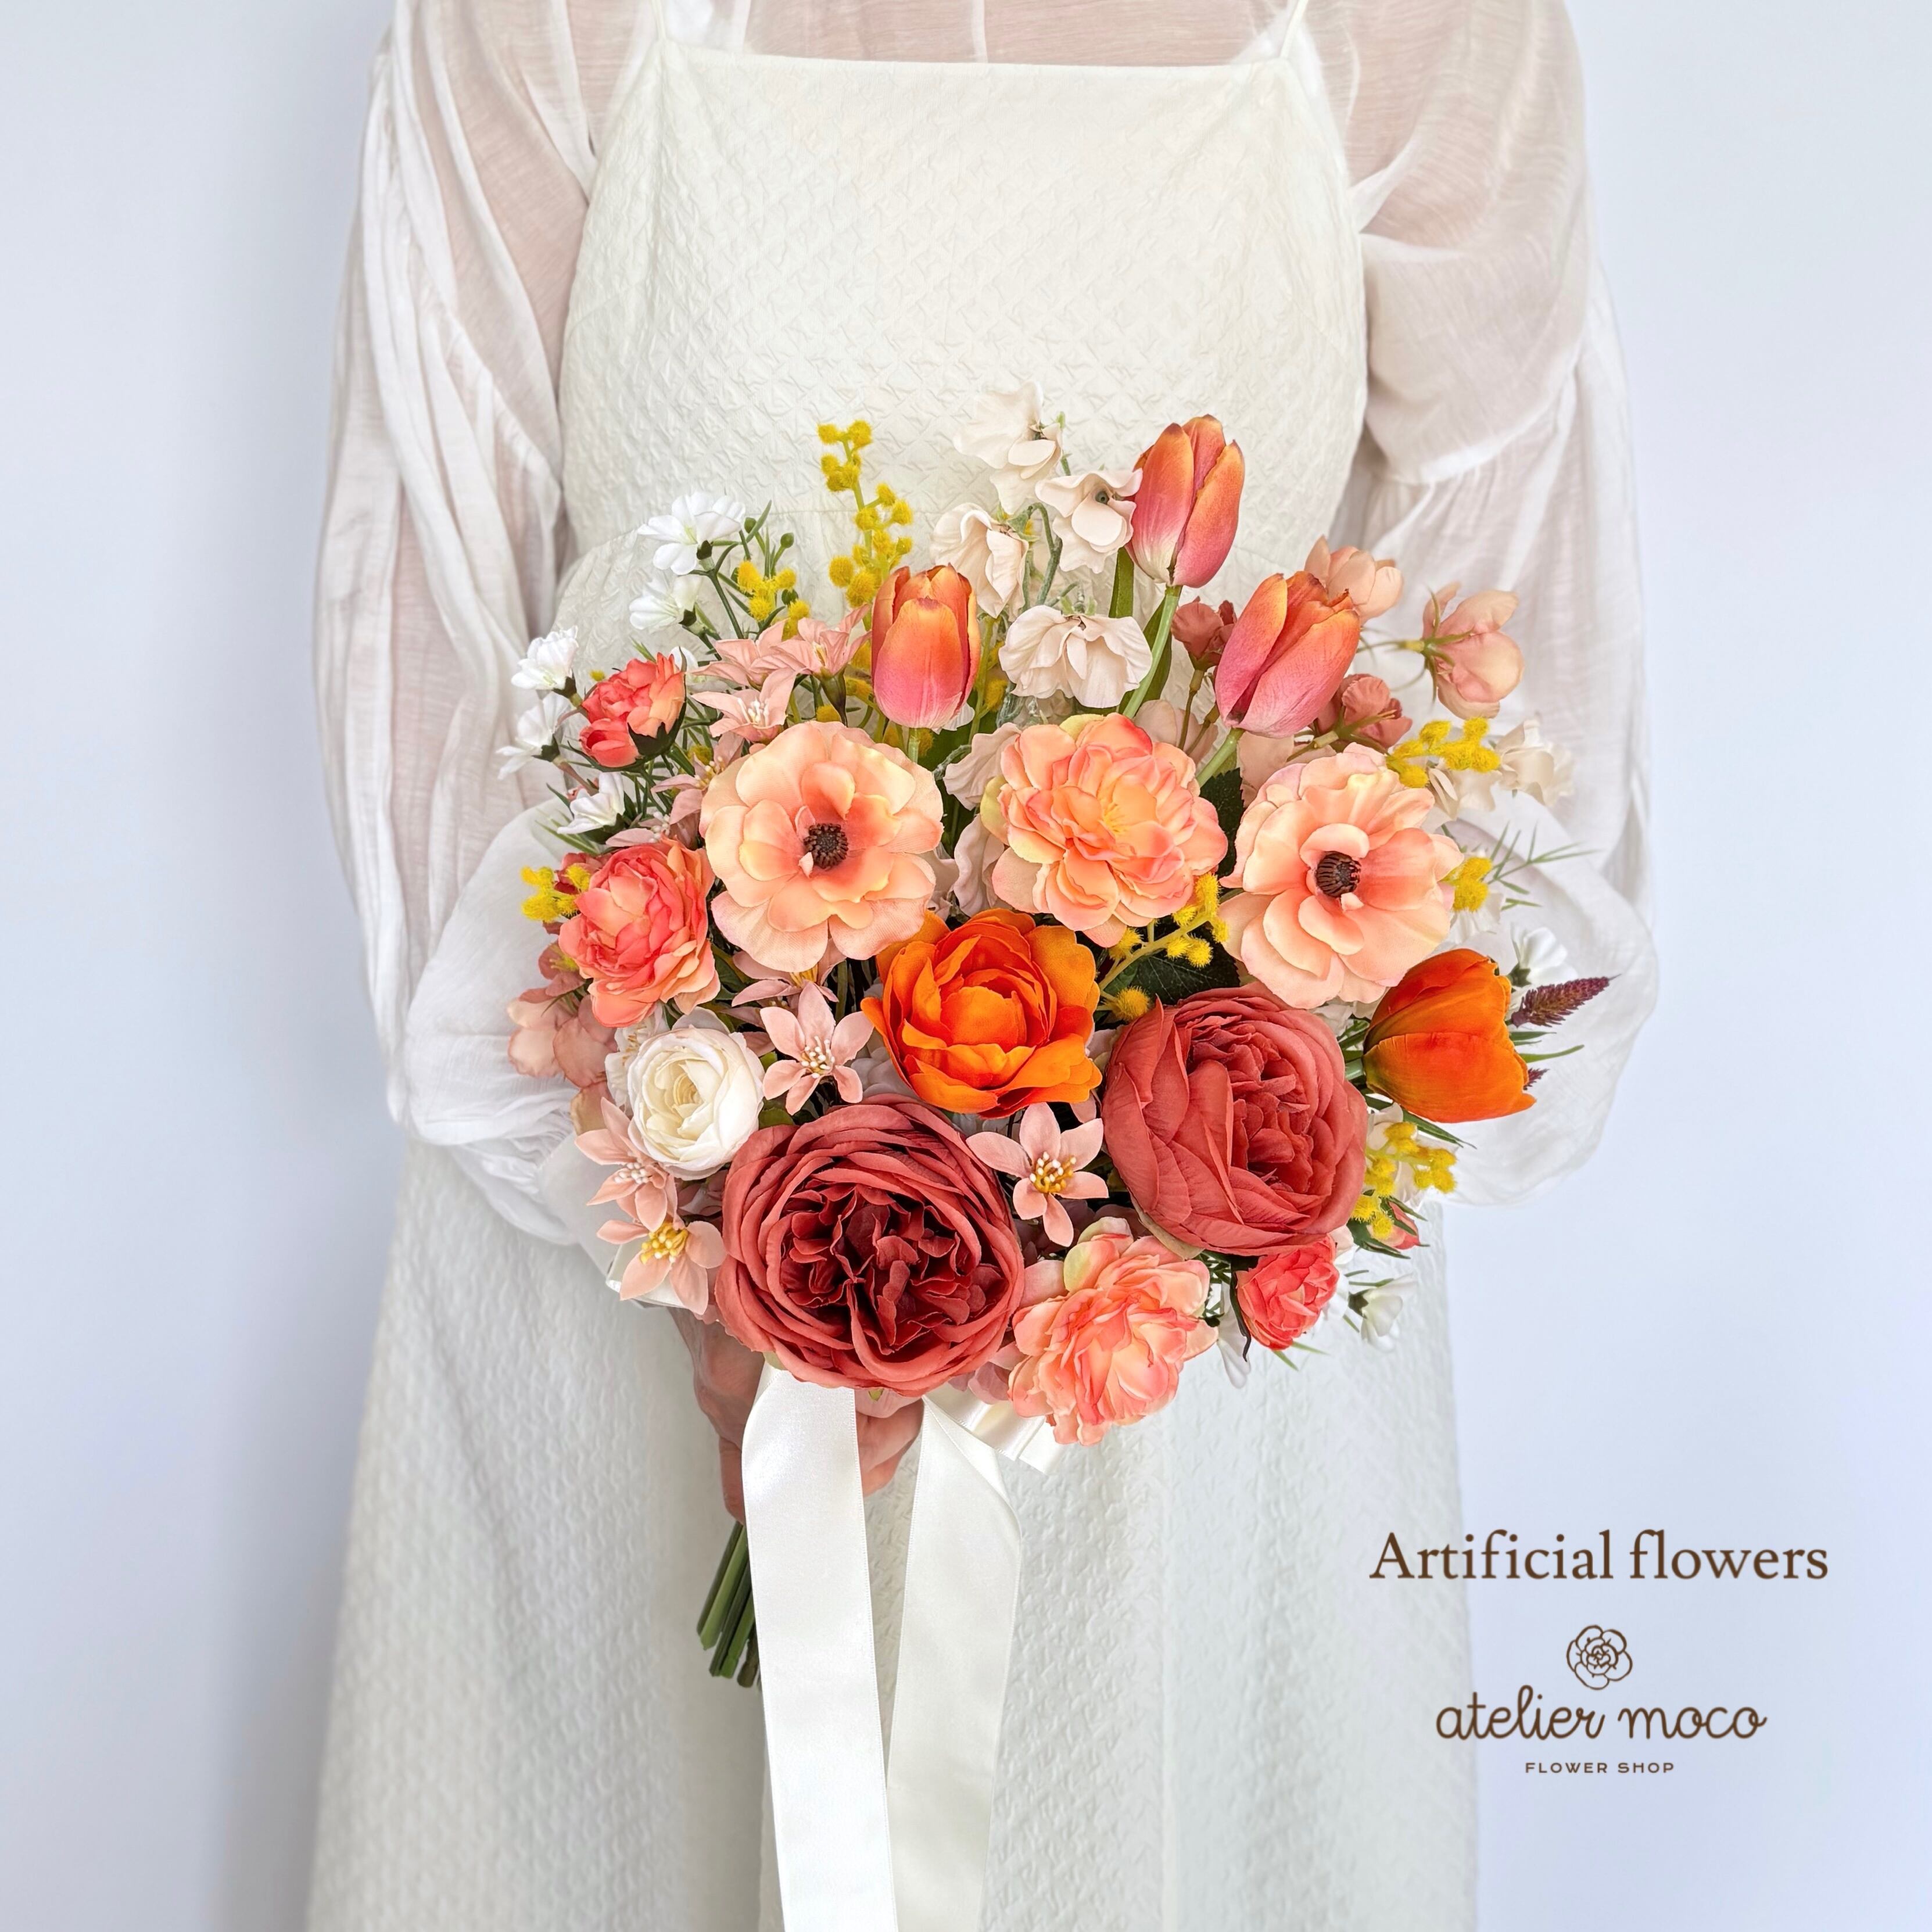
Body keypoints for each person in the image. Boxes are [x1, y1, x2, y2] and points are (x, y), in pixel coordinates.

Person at [311, 3, 1653, 1926]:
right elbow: (422, 625)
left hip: (1184, 1318)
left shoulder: (1427, 30)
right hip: (621, 1240)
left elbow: (1514, 690)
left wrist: (1137, 1210)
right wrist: (726, 1236)